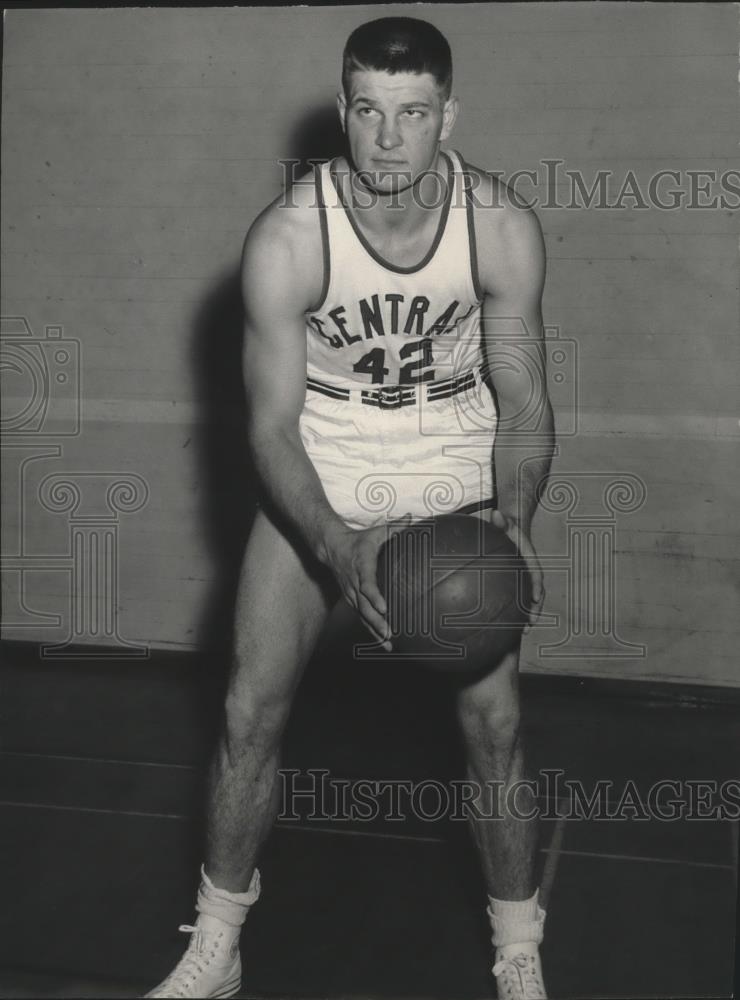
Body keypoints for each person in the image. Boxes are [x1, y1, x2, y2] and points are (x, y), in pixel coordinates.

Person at [145, 15, 554, 1000]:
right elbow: (271, 429)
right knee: (249, 705)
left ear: (444, 115)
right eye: (366, 111)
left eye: (410, 115)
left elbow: (526, 400)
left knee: (493, 721)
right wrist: (336, 541)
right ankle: (218, 939)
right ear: (341, 111)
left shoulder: (497, 227)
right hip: (326, 456)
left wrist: (514, 517)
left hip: (452, 454)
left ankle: (516, 942)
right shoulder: (288, 240)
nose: (385, 139)